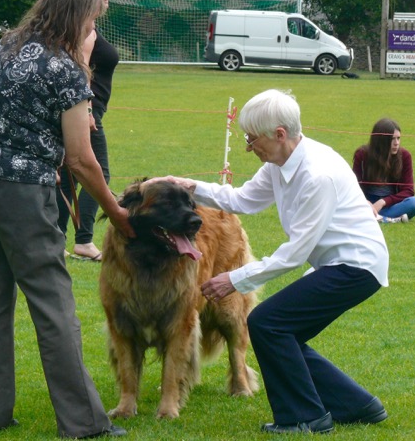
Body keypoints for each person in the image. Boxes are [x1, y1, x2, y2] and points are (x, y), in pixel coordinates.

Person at [147, 89, 389, 435]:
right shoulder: (279, 164)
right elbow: (242, 200)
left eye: (252, 138)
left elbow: (294, 254)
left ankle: (305, 417)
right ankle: (358, 405)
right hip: (338, 265)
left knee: (267, 323)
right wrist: (187, 186)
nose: (248, 147)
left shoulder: (317, 175)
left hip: (356, 267)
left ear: (279, 134)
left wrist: (234, 279)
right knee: (284, 333)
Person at [0, 0, 134, 438]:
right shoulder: (65, 69)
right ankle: (84, 423)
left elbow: (4, 117)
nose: (93, 28)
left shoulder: (2, 47)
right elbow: (82, 159)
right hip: (17, 190)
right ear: (76, 16)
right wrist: (116, 211)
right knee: (53, 303)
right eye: (91, 19)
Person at [57, 0, 118, 261]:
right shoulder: (86, 30)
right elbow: (79, 69)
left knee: (69, 175)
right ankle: (83, 240)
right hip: (85, 113)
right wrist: (89, 110)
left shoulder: (87, 26)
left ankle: (57, 239)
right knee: (98, 173)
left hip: (87, 110)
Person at [353, 118, 415, 223]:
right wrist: (366, 202)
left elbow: (408, 190)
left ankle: (373, 217)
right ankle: (389, 218)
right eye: (392, 139)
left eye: (398, 138)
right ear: (380, 140)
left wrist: (383, 202)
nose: (396, 143)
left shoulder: (405, 156)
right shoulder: (362, 155)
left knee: (414, 203)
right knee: (350, 205)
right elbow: (354, 187)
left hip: (391, 202)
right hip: (367, 201)